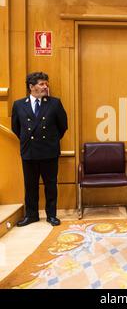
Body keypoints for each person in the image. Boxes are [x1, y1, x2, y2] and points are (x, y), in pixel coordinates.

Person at [11, 72, 68, 227]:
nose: (45, 86)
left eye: (46, 84)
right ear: (31, 86)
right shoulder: (18, 104)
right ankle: (31, 215)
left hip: (49, 151)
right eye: (42, 84)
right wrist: (27, 141)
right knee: (30, 186)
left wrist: (52, 140)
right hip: (29, 151)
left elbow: (63, 126)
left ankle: (51, 215)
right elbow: (16, 128)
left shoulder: (54, 103)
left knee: (50, 185)